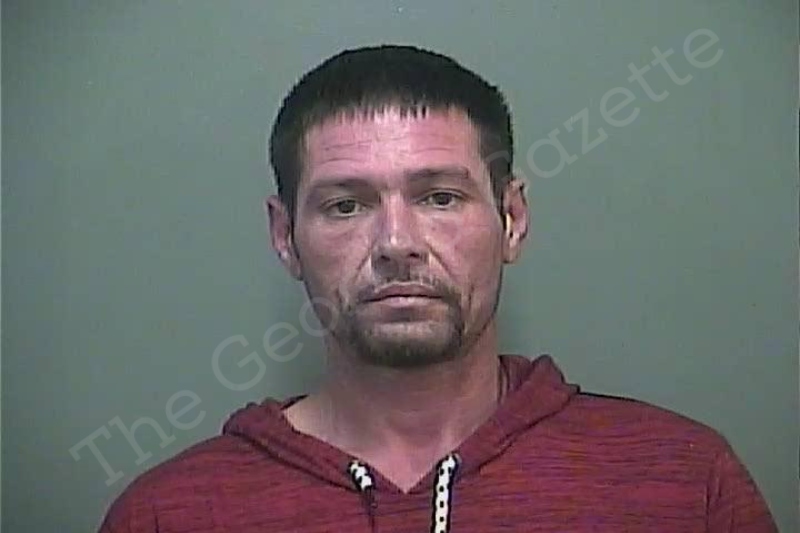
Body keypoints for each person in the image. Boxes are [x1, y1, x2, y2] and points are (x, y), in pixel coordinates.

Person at [98, 44, 777, 532]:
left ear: (512, 220)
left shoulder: (684, 484)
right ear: (285, 236)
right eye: (346, 205)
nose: (397, 242)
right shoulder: (171, 513)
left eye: (440, 197)